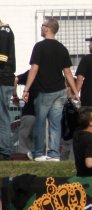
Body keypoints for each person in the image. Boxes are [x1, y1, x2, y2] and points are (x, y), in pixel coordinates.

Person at [22, 17, 78, 162]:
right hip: (60, 91)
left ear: (47, 28)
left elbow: (34, 69)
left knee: (40, 122)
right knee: (55, 124)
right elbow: (68, 72)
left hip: (44, 91)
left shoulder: (39, 47)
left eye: (42, 26)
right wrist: (75, 91)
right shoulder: (62, 48)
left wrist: (26, 89)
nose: (41, 28)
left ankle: (39, 153)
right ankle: (54, 154)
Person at [0, 19, 15, 160]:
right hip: (5, 78)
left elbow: (2, 57)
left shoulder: (4, 32)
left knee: (2, 115)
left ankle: (4, 150)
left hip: (3, 78)